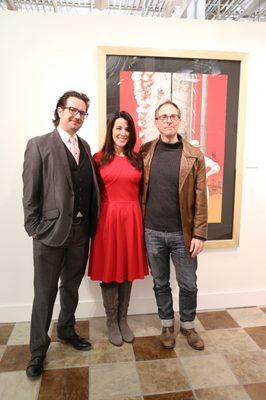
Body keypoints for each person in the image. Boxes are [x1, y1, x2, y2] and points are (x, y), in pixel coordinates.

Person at [22, 91, 100, 379]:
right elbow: (30, 192)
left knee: (71, 287)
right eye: (72, 110)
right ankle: (37, 351)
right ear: (59, 110)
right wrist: (34, 228)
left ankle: (66, 329)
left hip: (80, 232)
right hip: (49, 234)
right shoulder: (39, 145)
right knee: (44, 293)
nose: (77, 116)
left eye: (82, 112)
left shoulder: (85, 146)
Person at [140, 100, 208, 351]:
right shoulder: (145, 152)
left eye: (173, 116)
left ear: (180, 120)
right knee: (160, 283)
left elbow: (201, 196)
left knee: (188, 283)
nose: (168, 120)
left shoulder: (194, 155)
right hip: (153, 232)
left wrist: (199, 233)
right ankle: (167, 324)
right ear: (156, 122)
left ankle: (188, 325)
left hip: (184, 234)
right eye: (163, 117)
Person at [88, 111, 148, 346]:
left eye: (127, 129)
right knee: (110, 271)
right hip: (108, 220)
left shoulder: (137, 159)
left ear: (131, 133)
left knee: (127, 270)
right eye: (118, 129)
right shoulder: (98, 158)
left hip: (132, 219)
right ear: (111, 131)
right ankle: (111, 321)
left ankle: (123, 319)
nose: (123, 133)